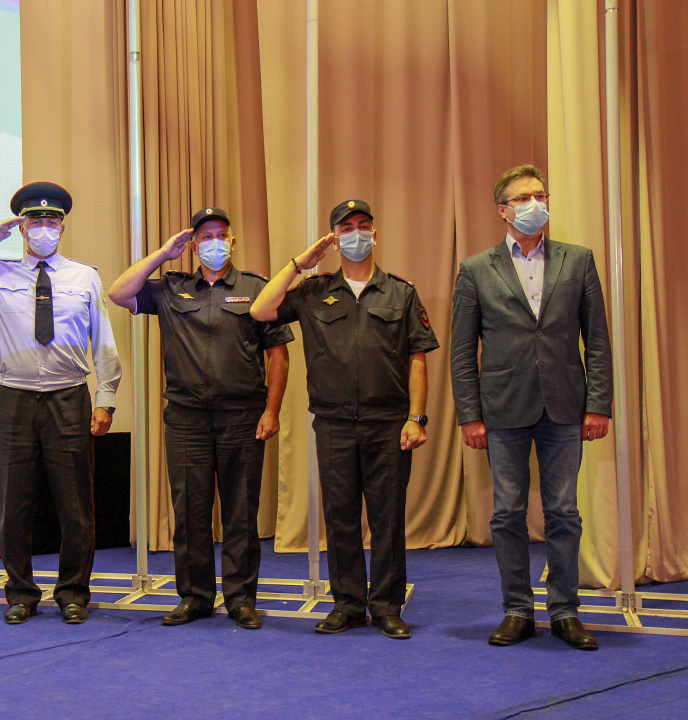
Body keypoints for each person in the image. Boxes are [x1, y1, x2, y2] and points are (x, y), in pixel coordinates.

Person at [0, 182, 121, 625]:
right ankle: (20, 593)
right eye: (35, 221)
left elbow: (103, 341)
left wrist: (105, 398)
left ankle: (73, 593)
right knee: (13, 505)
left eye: (51, 221)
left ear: (62, 227)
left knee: (76, 507)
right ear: (22, 227)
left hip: (69, 395)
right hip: (15, 397)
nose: (43, 227)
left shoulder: (84, 276)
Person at [251, 199, 438, 640]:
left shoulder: (400, 292)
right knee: (340, 518)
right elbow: (260, 310)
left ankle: (387, 606)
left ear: (375, 233)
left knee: (388, 519)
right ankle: (349, 605)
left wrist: (417, 417)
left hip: (388, 422)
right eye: (347, 228)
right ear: (334, 239)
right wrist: (299, 264)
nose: (357, 234)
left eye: (363, 225)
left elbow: (417, 358)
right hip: (333, 423)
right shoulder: (314, 291)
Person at [450, 165, 613, 651]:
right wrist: (469, 414)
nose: (534, 204)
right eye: (523, 198)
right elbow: (462, 351)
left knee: (564, 512)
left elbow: (597, 340)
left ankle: (565, 611)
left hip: (565, 405)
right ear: (502, 210)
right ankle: (517, 610)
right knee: (507, 513)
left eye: (540, 195)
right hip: (503, 409)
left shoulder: (578, 260)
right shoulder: (476, 268)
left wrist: (599, 404)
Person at [108, 207, 292, 630]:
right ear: (192, 245)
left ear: (232, 241)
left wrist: (272, 410)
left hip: (242, 417)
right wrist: (161, 255)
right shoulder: (172, 287)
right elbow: (118, 293)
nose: (214, 243)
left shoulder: (257, 289)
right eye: (205, 236)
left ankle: (241, 600)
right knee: (190, 512)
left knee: (241, 513)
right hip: (186, 419)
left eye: (220, 235)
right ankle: (194, 598)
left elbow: (278, 355)